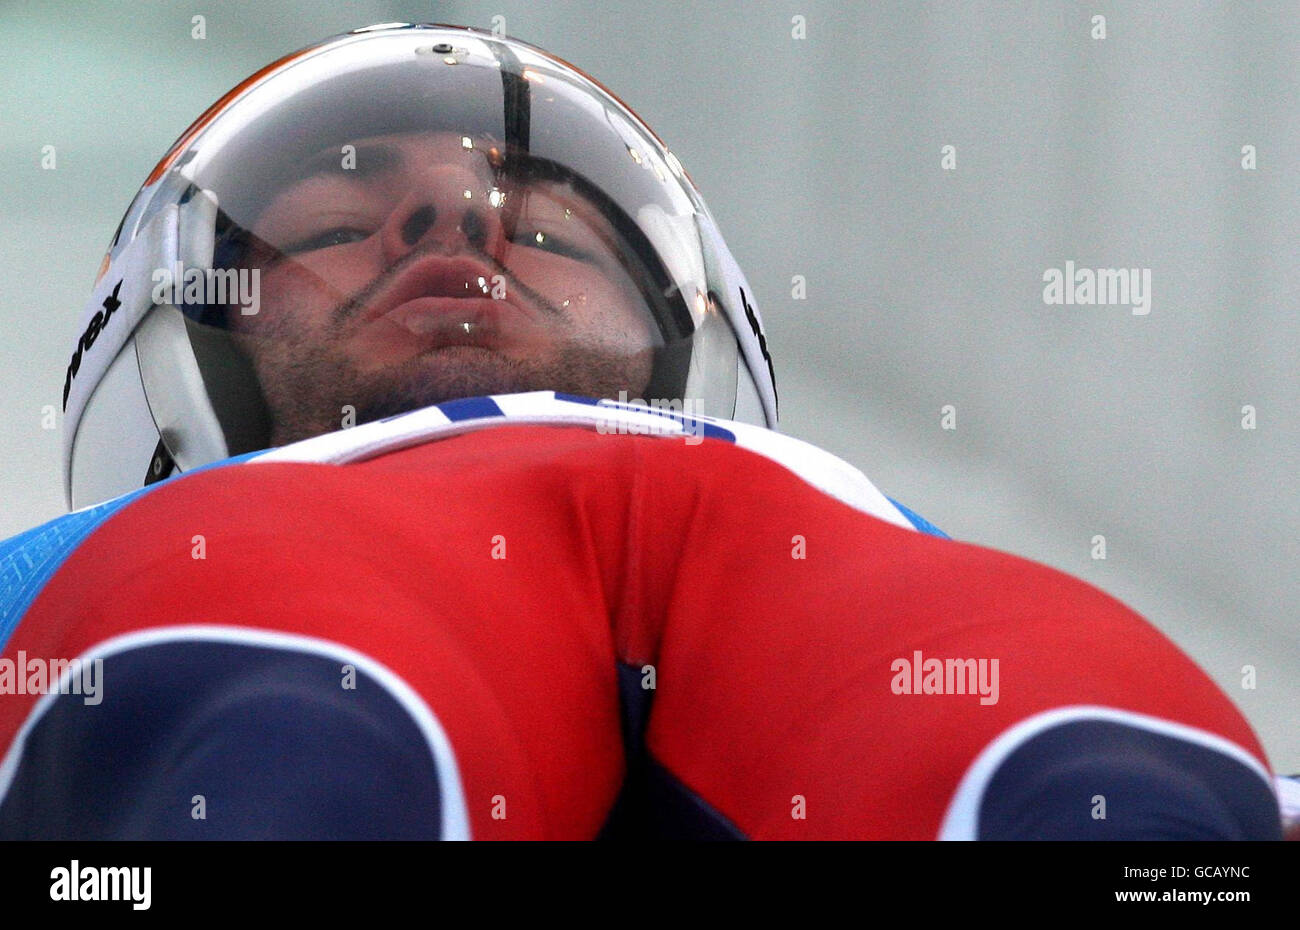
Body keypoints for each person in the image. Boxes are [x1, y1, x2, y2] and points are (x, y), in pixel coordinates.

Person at [0, 23, 1288, 840]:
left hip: (794, 566)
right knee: (290, 738)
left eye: (551, 233)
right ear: (176, 359)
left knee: (1112, 789)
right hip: (285, 553)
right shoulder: (119, 559)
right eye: (334, 223)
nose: (455, 222)